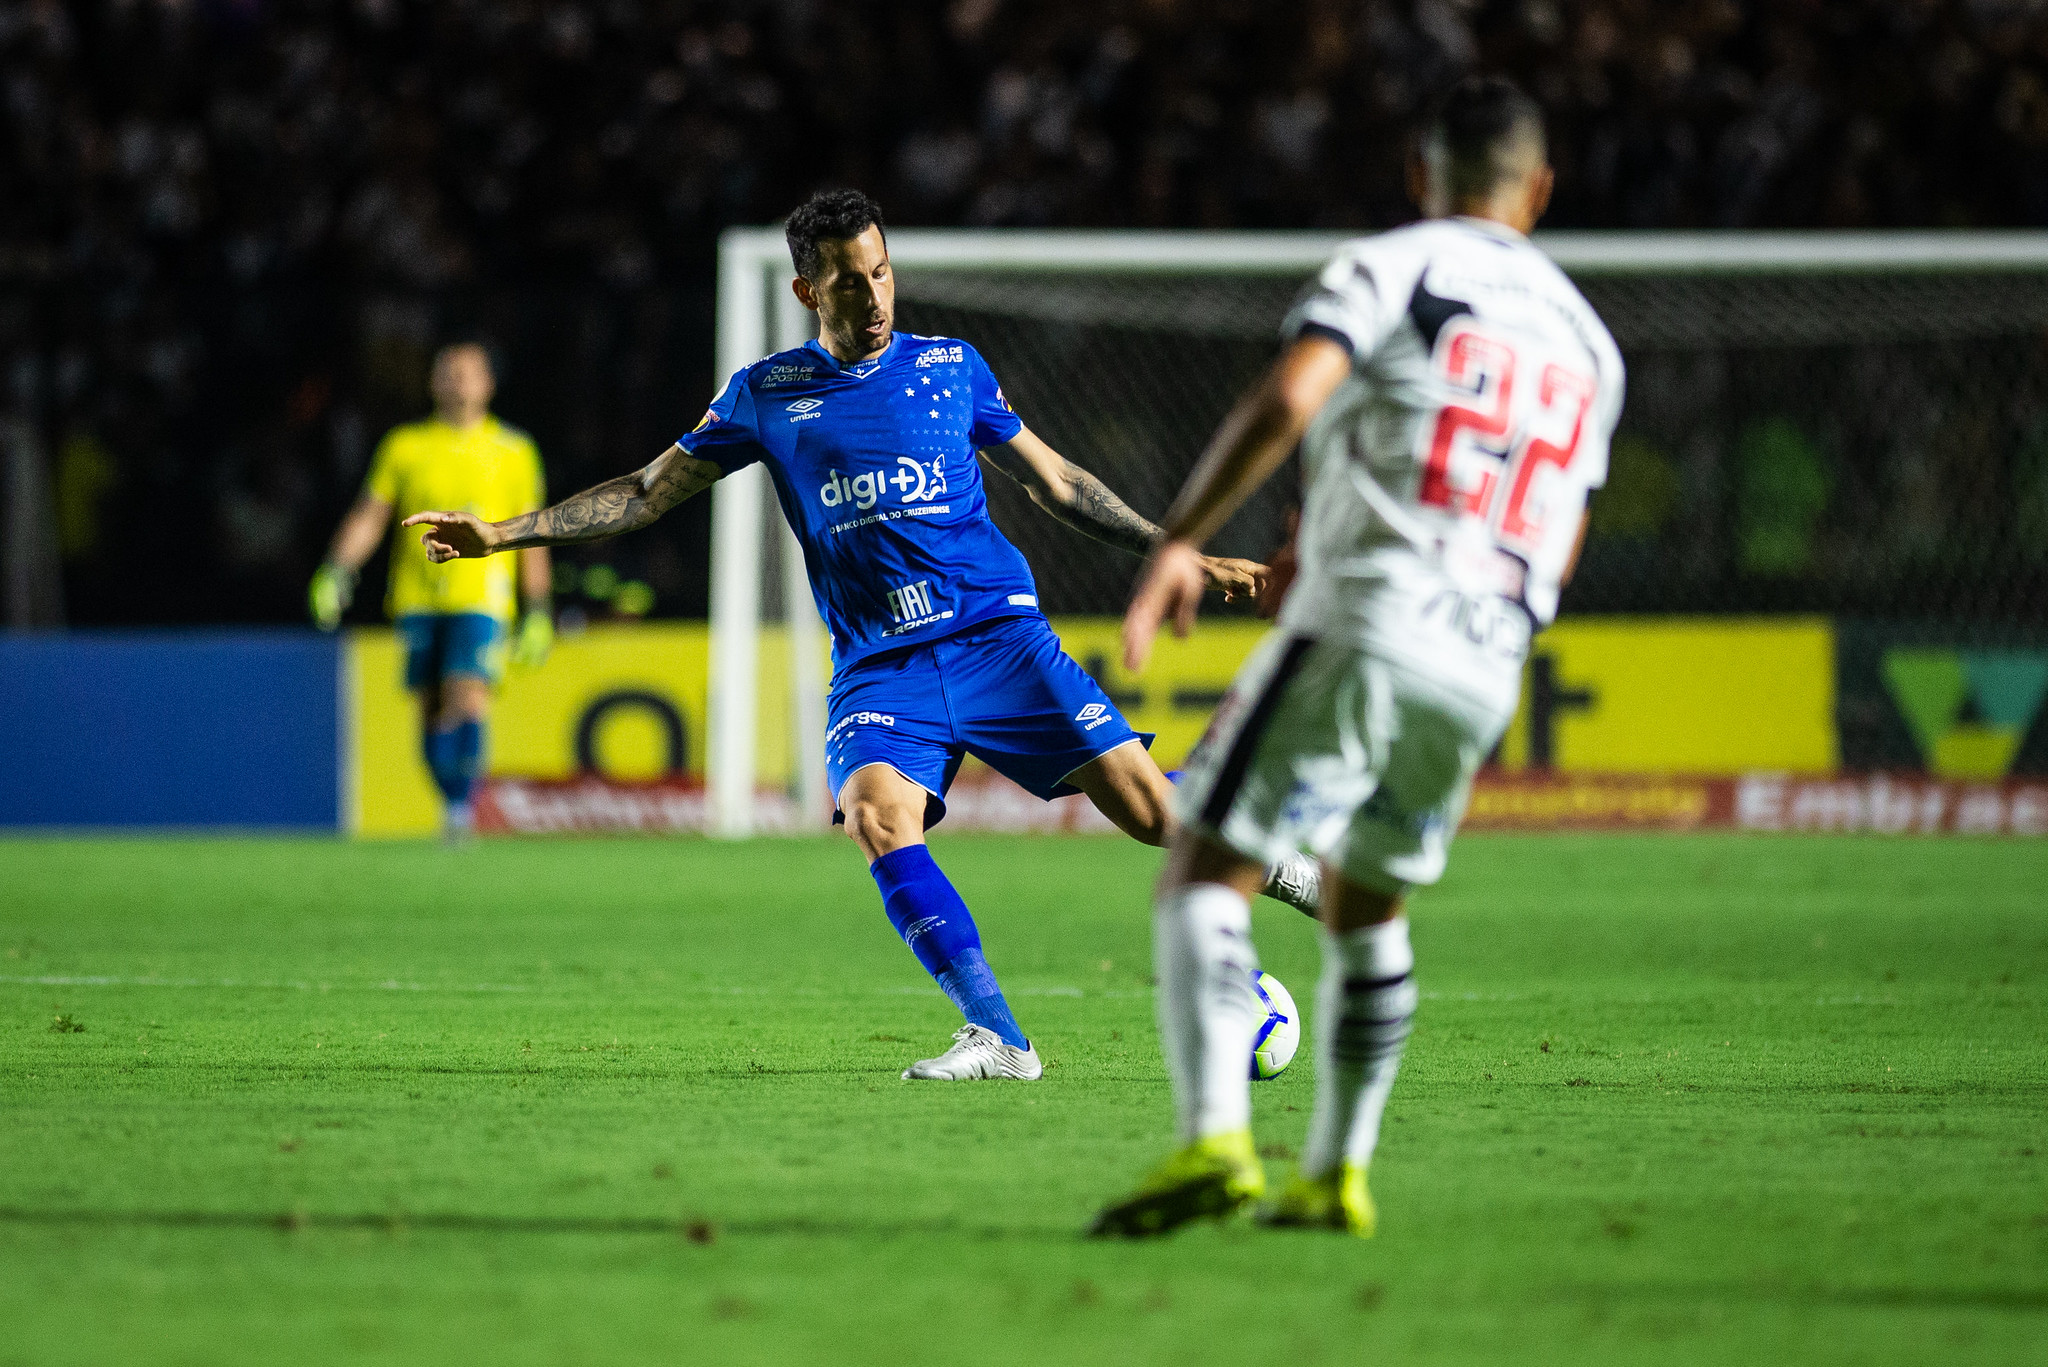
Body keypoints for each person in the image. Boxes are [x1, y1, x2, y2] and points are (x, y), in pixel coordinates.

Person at [400, 189, 1325, 1080]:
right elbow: (646, 492)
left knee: (1154, 816)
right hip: (881, 667)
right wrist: (503, 533)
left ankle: (1279, 860)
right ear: (807, 290)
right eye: (849, 280)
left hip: (998, 636)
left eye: (881, 273)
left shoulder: (950, 367)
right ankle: (1001, 1038)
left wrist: (1183, 552)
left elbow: (1057, 480)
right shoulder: (765, 394)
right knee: (880, 818)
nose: (874, 296)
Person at [1091, 76, 1626, 1237]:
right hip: (1486, 653)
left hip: (1368, 618)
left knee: (1198, 862)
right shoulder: (1588, 341)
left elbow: (1293, 393)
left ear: (1418, 175)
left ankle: (1212, 1141)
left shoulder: (1394, 264)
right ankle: (1335, 1171)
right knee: (1365, 903)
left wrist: (1180, 539)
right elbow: (1560, 529)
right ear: (1539, 188)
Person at [309, 342, 554, 839]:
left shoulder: (514, 450)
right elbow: (373, 513)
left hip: (482, 597)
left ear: (488, 384)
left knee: (467, 694)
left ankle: (462, 808)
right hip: (417, 597)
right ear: (433, 383)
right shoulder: (405, 445)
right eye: (449, 373)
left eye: (468, 373)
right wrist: (336, 569)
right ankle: (451, 801)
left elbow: (533, 530)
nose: (458, 381)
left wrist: (539, 607)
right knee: (430, 707)